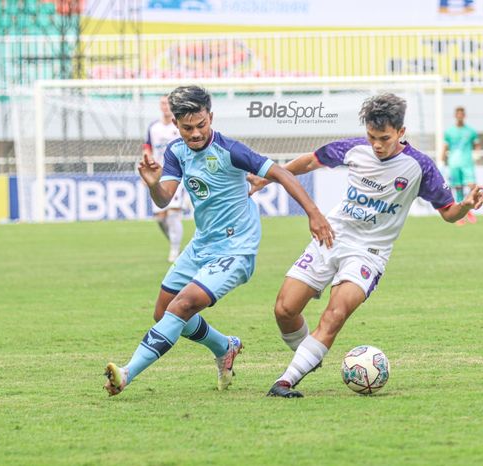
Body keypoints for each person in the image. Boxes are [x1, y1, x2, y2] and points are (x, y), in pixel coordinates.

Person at [248, 93, 483, 398]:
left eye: (384, 138)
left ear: (401, 132)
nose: (377, 144)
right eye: (372, 137)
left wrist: (465, 205)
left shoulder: (420, 167)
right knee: (284, 309)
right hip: (331, 237)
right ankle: (308, 354)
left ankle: (286, 380)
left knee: (334, 315)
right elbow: (310, 161)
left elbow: (449, 213)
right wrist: (269, 179)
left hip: (369, 252)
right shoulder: (353, 149)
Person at [104, 85, 334, 396]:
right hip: (202, 245)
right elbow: (164, 199)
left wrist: (313, 213)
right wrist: (153, 185)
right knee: (163, 312)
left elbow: (281, 173)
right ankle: (224, 347)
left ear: (211, 117)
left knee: (182, 305)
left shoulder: (231, 151)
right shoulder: (175, 152)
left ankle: (127, 373)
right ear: (176, 124)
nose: (196, 133)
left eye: (201, 125)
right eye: (188, 128)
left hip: (236, 249)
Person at [144, 95, 184, 262]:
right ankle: (174, 244)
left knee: (173, 213)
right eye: (162, 103)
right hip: (158, 174)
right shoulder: (154, 127)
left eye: (167, 103)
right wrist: (146, 168)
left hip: (176, 173)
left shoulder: (180, 125)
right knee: (160, 218)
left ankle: (175, 251)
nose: (165, 106)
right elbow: (147, 148)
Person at [441, 106, 481, 225]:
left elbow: (477, 145)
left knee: (472, 186)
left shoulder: (471, 131)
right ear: (455, 115)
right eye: (458, 114)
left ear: (464, 116)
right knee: (458, 187)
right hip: (454, 163)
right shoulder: (449, 132)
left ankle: (468, 210)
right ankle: (460, 215)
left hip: (467, 162)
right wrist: (442, 160)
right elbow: (445, 147)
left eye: (461, 114)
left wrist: (476, 155)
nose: (459, 116)